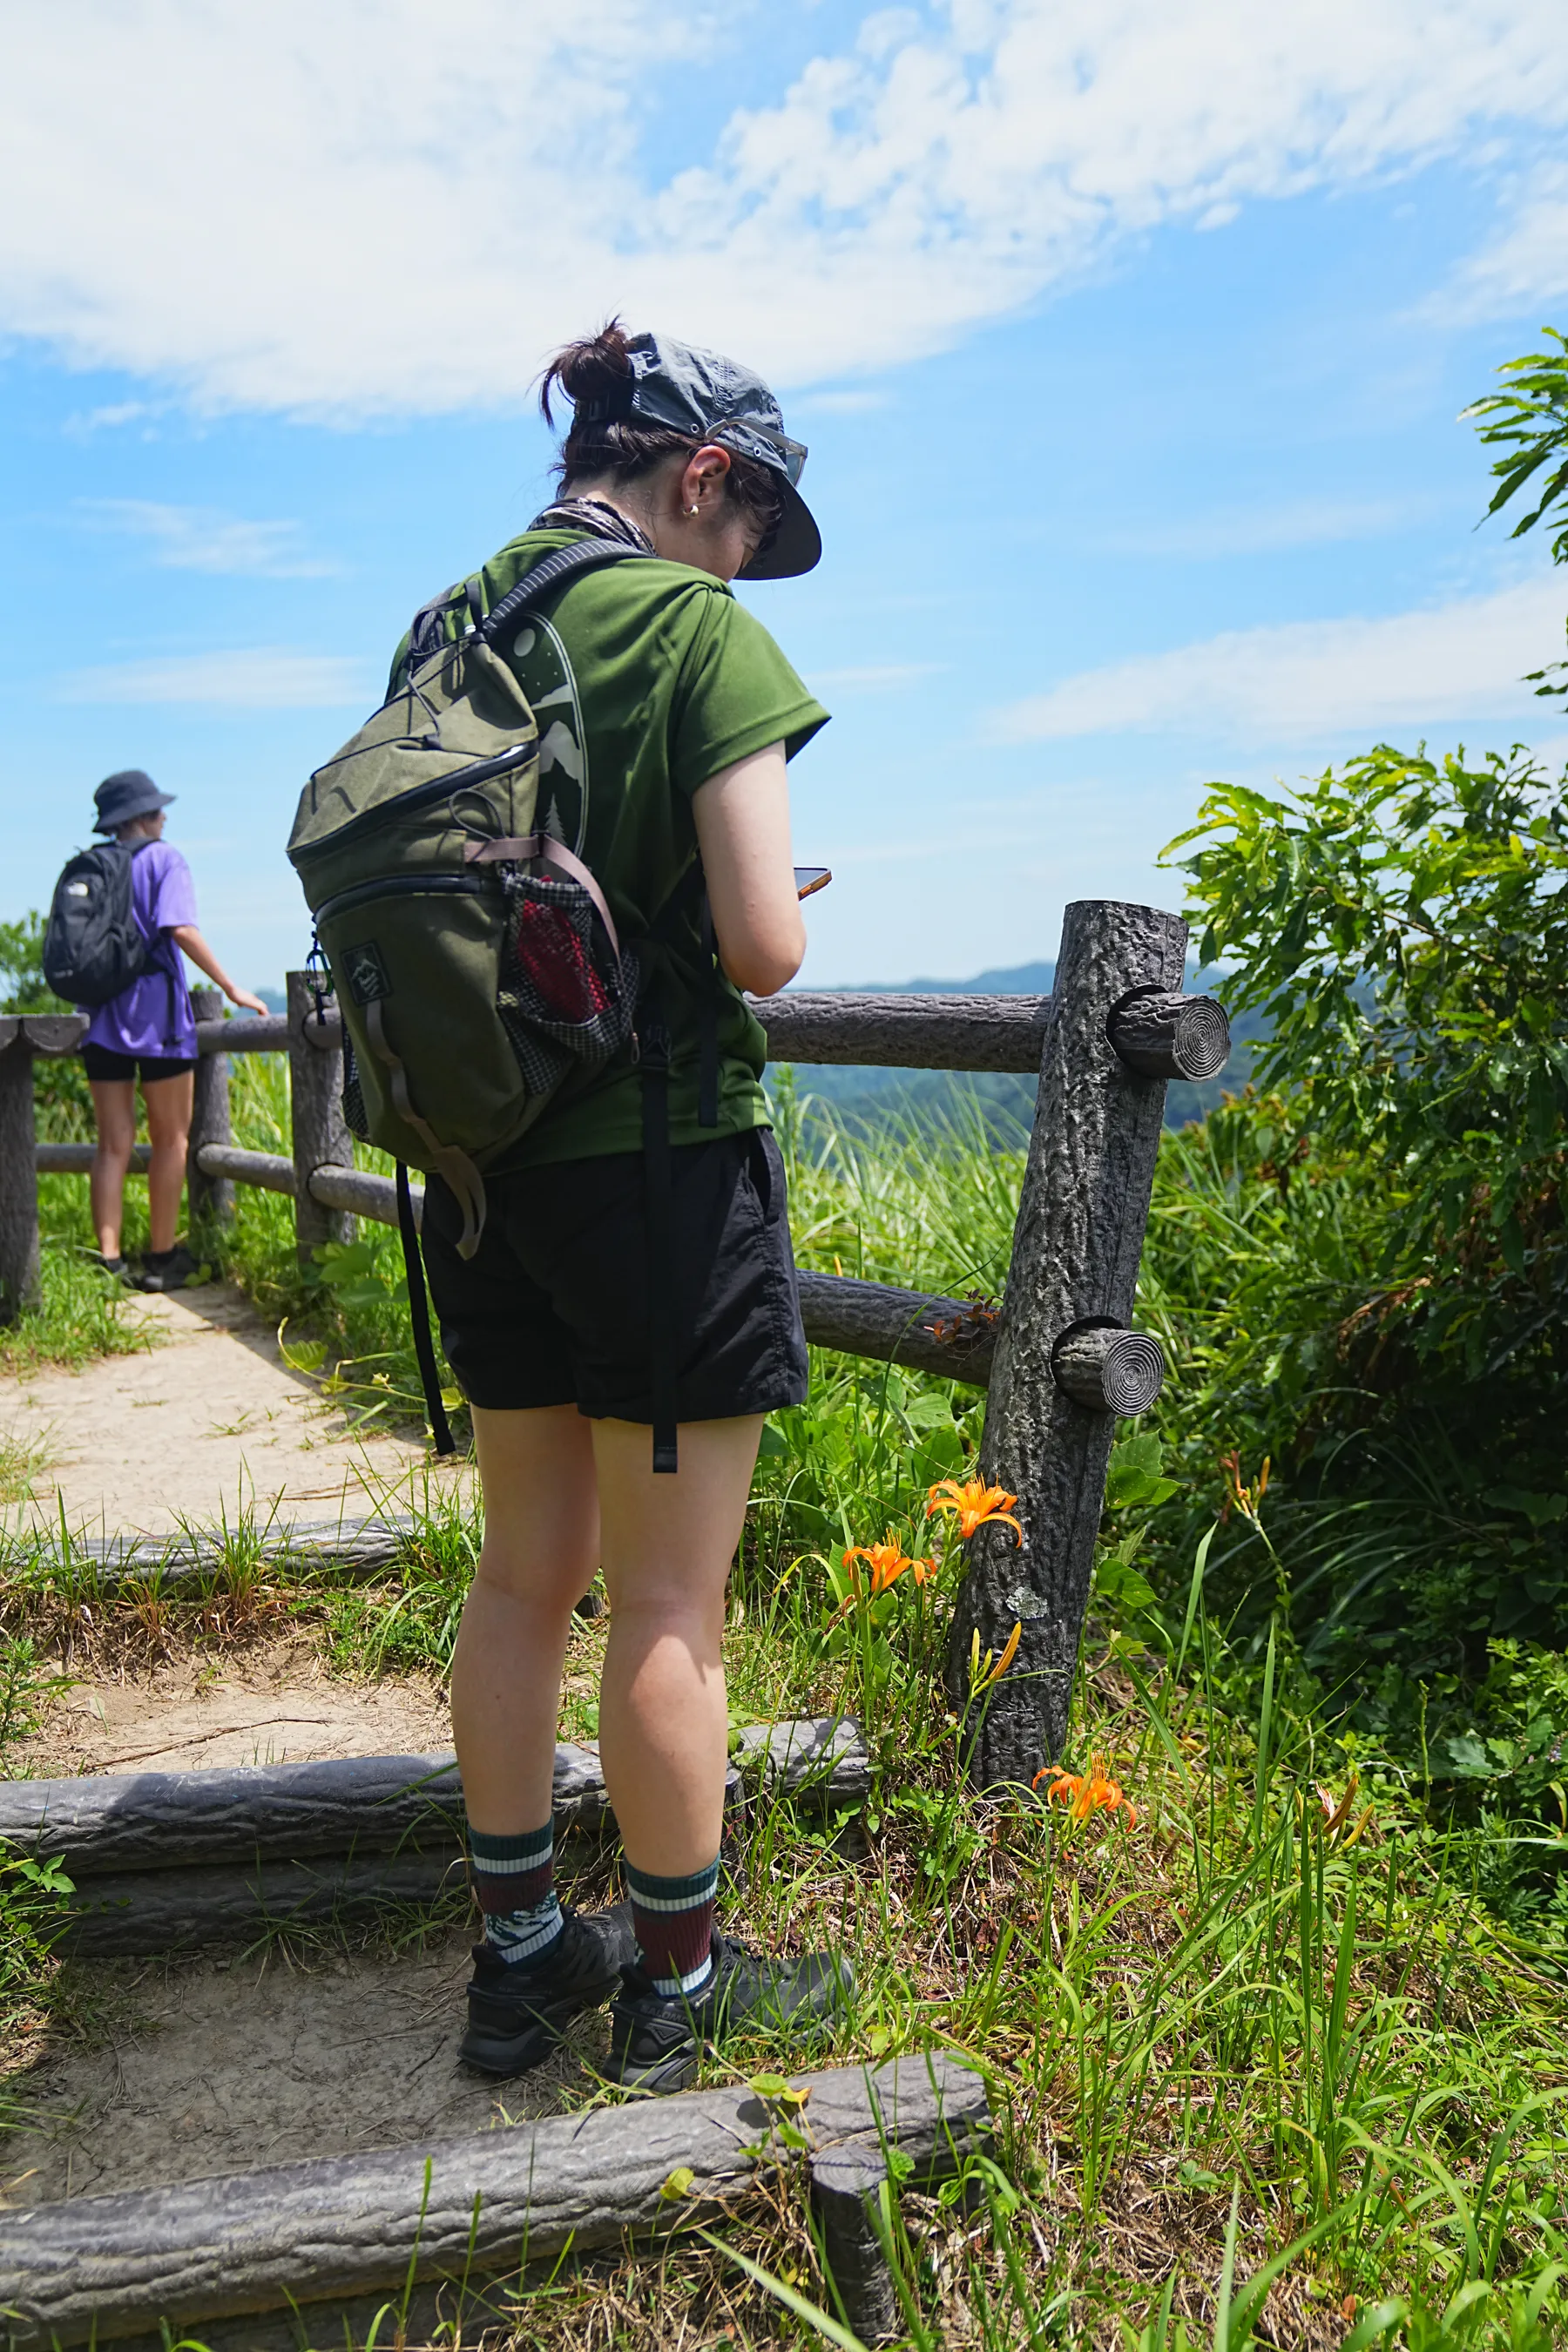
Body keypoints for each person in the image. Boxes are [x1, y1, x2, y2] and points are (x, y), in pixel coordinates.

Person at [403, 323, 852, 2093]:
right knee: (671, 1605)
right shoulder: (690, 628)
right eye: (749, 526)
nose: (744, 564)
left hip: (482, 1168)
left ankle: (522, 1963)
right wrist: (783, 895)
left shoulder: (449, 624)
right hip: (657, 1168)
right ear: (703, 474)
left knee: (522, 1579)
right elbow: (762, 945)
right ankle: (679, 1983)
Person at [80, 768, 268, 1289]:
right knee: (171, 1140)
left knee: (112, 1144)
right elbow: (180, 928)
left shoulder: (96, 866)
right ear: (142, 818)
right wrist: (232, 989)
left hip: (101, 1020)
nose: (165, 818)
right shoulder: (165, 859)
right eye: (159, 811)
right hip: (157, 1019)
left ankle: (109, 1260)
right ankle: (161, 1259)